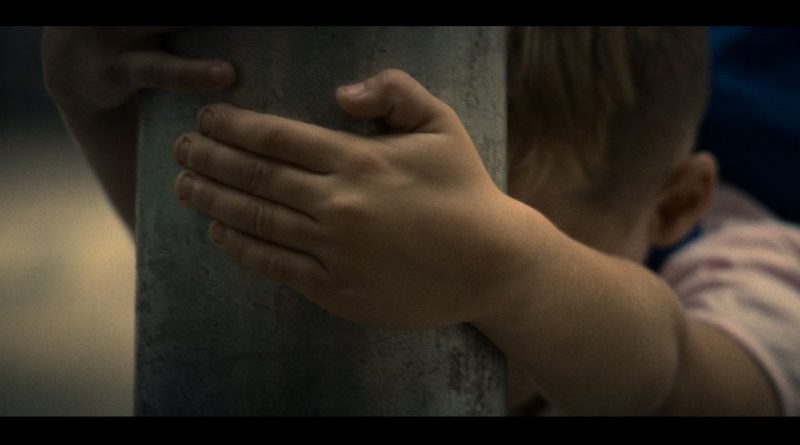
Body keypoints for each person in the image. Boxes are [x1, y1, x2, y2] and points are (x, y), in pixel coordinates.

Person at [42, 26, 800, 415]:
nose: (411, 315)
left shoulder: (759, 277)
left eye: (452, 276)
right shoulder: (362, 244)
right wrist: (87, 99)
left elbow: (677, 379)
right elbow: (207, 274)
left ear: (675, 206)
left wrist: (506, 269)